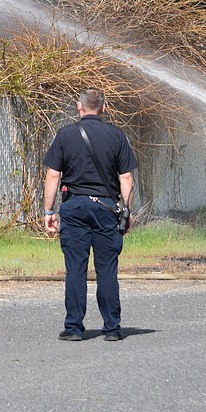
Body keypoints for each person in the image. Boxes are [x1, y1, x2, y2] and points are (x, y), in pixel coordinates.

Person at [42, 88, 137, 341]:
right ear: (103, 108)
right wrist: (127, 211)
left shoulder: (65, 135)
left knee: (76, 269)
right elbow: (126, 177)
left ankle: (73, 328)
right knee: (107, 270)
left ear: (79, 106)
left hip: (74, 208)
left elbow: (53, 175)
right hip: (106, 209)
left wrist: (48, 211)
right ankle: (112, 329)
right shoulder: (117, 137)